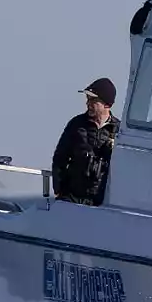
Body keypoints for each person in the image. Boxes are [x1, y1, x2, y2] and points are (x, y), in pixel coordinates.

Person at [51, 77, 119, 206]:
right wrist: (59, 189)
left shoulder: (119, 132)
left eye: (93, 100)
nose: (88, 104)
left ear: (107, 104)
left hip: (101, 203)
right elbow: (59, 158)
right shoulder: (76, 124)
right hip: (72, 197)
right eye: (88, 100)